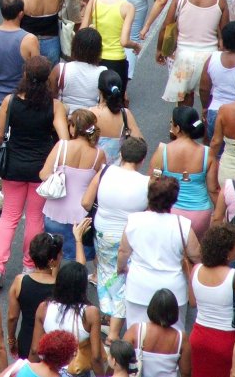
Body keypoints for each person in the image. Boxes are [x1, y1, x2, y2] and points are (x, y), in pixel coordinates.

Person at [0, 56, 69, 287]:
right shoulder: (55, 106)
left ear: (24, 75)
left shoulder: (10, 101)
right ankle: (29, 264)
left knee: (9, 216)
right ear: (46, 79)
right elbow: (64, 140)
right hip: (41, 170)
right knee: (34, 218)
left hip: (13, 166)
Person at [81, 137, 149, 342]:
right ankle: (113, 332)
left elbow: (86, 203)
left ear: (122, 154)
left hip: (102, 232)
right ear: (142, 159)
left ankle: (108, 316)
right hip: (127, 236)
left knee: (104, 272)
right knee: (121, 278)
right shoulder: (146, 183)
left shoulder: (105, 171)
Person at [117, 175, 202, 331]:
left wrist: (120, 267)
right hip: (173, 289)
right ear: (174, 199)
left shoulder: (135, 220)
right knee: (174, 333)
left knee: (137, 331)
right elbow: (196, 255)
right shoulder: (182, 224)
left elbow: (123, 251)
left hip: (139, 287)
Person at [0, 0, 39, 180]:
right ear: (21, 13)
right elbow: (35, 73)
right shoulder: (29, 39)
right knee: (17, 142)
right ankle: (8, 185)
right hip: (19, 101)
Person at [190, 223, 235, 377]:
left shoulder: (196, 270)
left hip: (199, 338)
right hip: (228, 342)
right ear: (226, 253)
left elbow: (193, 303)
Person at [159, 0, 228, 106]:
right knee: (209, 100)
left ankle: (184, 126)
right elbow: (224, 32)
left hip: (184, 57)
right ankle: (205, 122)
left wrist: (160, 49)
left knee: (184, 99)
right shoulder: (219, 0)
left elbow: (166, 26)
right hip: (210, 58)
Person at [40, 109, 106, 262]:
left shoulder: (61, 146)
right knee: (77, 257)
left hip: (54, 210)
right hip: (81, 214)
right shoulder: (98, 154)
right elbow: (100, 182)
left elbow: (43, 174)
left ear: (73, 127)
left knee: (52, 256)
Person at [150, 106, 218, 240]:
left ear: (178, 128)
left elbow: (153, 181)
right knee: (196, 254)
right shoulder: (206, 153)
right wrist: (221, 214)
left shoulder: (162, 151)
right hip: (200, 214)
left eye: (171, 123)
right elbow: (213, 190)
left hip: (170, 212)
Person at [31, 261, 105, 377]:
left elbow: (35, 349)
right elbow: (96, 357)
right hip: (77, 371)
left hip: (50, 370)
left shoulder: (44, 307)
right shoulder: (90, 313)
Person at [81, 0, 140, 94]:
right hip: (116, 60)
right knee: (115, 101)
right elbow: (124, 41)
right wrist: (136, 45)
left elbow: (82, 31)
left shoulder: (94, 2)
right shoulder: (128, 7)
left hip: (95, 58)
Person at [6, 233, 64, 359]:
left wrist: (11, 340)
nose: (62, 255)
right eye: (60, 253)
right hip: (52, 343)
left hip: (26, 339)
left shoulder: (20, 281)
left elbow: (12, 317)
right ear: (52, 260)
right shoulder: (60, 287)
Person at [122, 289, 192, 377]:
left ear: (152, 307)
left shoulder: (135, 330)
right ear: (174, 311)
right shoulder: (181, 338)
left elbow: (121, 361)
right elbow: (186, 372)